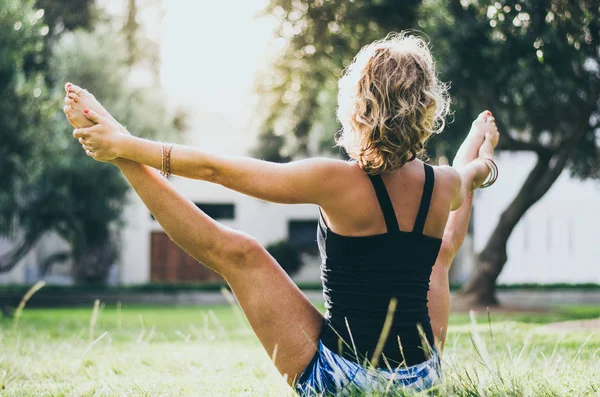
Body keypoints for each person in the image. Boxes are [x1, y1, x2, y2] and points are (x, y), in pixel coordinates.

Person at [63, 32, 498, 395]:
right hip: (423, 378)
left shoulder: (335, 180)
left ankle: (118, 157)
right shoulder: (445, 185)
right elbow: (472, 174)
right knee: (441, 253)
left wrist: (127, 147)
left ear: (358, 106)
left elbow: (217, 170)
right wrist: (483, 149)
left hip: (347, 381)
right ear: (425, 109)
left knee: (239, 251)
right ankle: (118, 148)